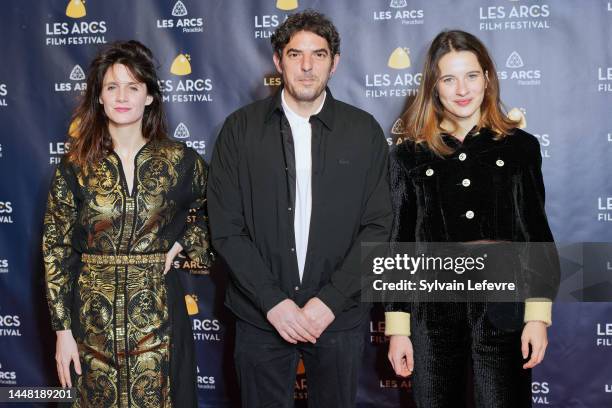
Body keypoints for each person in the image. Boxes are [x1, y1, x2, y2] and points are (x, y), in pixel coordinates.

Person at [207, 10, 392, 408]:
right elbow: (226, 227)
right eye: (295, 54)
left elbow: (379, 227)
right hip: (261, 318)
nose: (307, 66)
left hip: (338, 317)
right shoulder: (239, 130)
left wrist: (330, 301)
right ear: (278, 61)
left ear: (335, 62)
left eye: (319, 54)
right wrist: (273, 302)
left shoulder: (364, 132)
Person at [384, 30, 559, 407]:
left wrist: (537, 316)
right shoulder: (408, 156)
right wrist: (398, 328)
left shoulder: (520, 147)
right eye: (448, 78)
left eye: (471, 76)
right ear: (433, 87)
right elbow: (399, 244)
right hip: (431, 314)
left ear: (488, 79)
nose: (462, 89)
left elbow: (536, 235)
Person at [42, 40, 213, 407]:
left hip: (159, 315)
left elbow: (216, 210)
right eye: (112, 87)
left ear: (149, 96)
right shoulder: (75, 165)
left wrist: (182, 243)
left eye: (133, 86)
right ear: (99, 97)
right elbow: (56, 248)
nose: (122, 96)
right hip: (91, 320)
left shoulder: (180, 160)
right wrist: (62, 331)